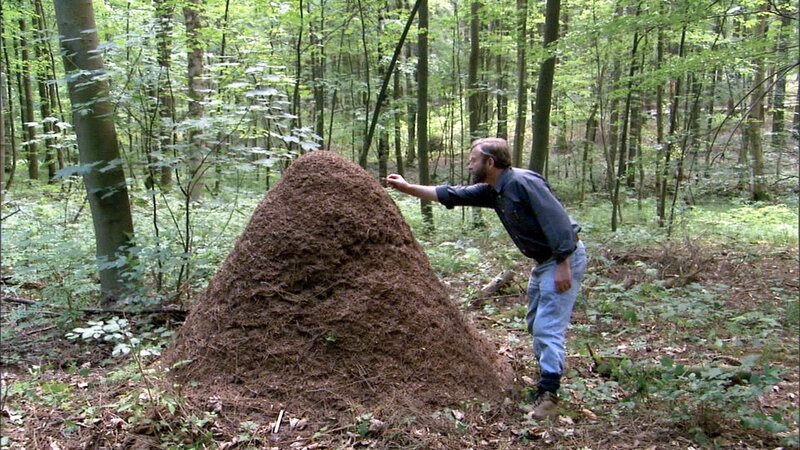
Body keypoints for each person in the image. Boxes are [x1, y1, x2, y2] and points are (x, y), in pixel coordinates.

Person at [386, 137, 587, 420]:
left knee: (546, 326)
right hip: (543, 262)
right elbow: (450, 194)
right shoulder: (494, 191)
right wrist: (407, 188)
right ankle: (546, 378)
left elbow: (557, 221)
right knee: (534, 323)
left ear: (490, 162)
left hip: (562, 258)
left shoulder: (522, 183)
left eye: (473, 159)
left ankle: (549, 395)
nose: (469, 164)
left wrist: (564, 264)